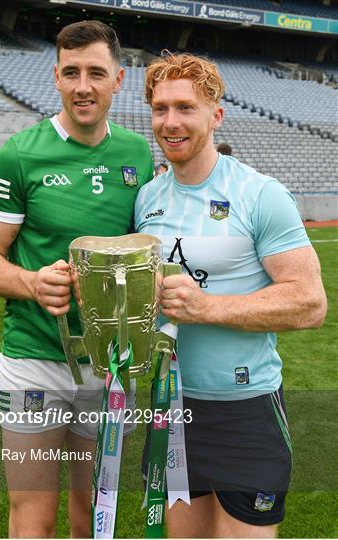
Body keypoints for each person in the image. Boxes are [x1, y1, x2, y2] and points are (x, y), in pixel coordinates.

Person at [0, 20, 153, 538]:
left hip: (109, 363)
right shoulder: (18, 155)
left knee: (92, 520)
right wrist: (32, 283)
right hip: (33, 360)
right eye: (71, 72)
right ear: (55, 76)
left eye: (96, 73)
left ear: (118, 80)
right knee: (33, 520)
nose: (83, 86)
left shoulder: (137, 155)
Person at [135, 52, 327, 538]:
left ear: (215, 115)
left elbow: (309, 302)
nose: (170, 122)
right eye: (160, 109)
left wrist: (206, 308)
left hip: (246, 408)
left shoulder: (260, 195)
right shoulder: (148, 198)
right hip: (171, 405)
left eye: (185, 108)